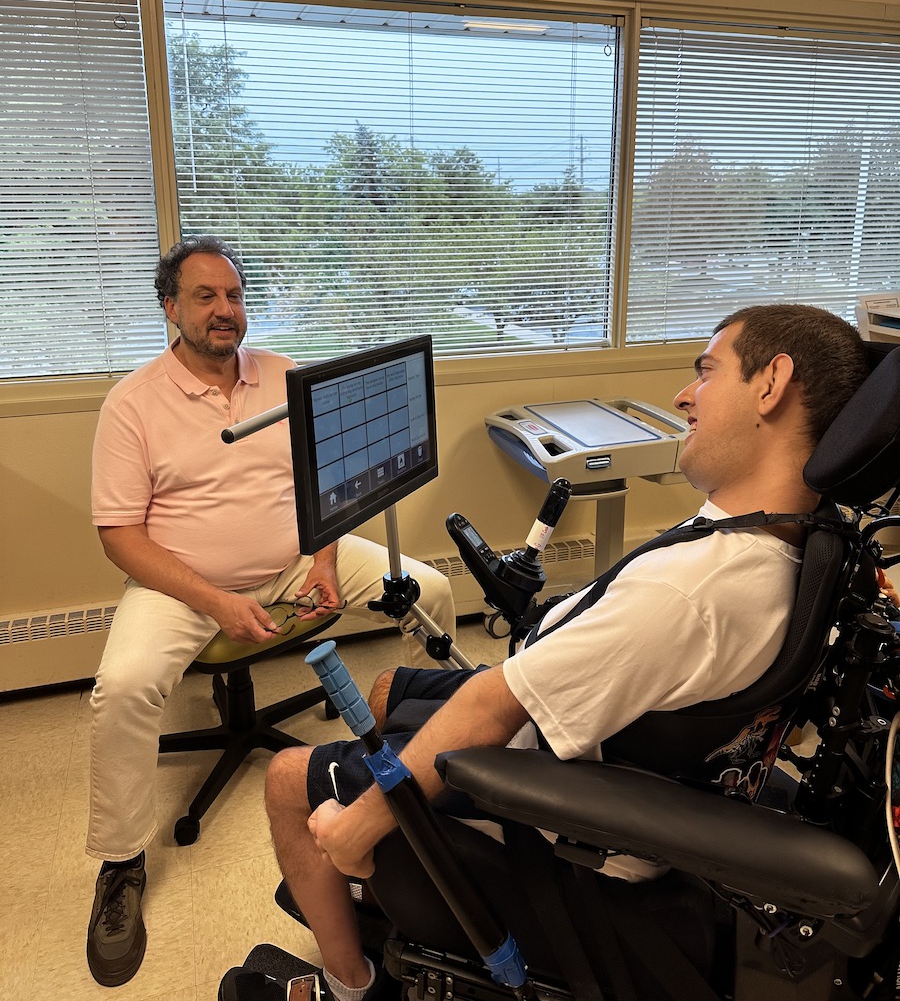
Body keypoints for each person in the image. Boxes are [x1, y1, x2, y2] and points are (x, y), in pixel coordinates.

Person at [263, 303, 871, 1001]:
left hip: (554, 805)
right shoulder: (795, 530)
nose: (684, 395)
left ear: (772, 385)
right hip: (594, 728)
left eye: (707, 372)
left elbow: (495, 706)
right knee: (382, 694)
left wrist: (352, 832)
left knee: (287, 778)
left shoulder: (689, 595)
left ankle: (348, 984)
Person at [85, 235, 456, 988]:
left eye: (234, 295)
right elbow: (119, 535)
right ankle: (120, 864)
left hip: (297, 559)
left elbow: (335, 482)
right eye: (204, 297)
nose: (225, 311)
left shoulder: (287, 377)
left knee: (432, 593)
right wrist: (216, 600)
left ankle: (418, 769)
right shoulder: (133, 404)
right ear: (170, 308)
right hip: (183, 585)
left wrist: (322, 558)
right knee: (121, 689)